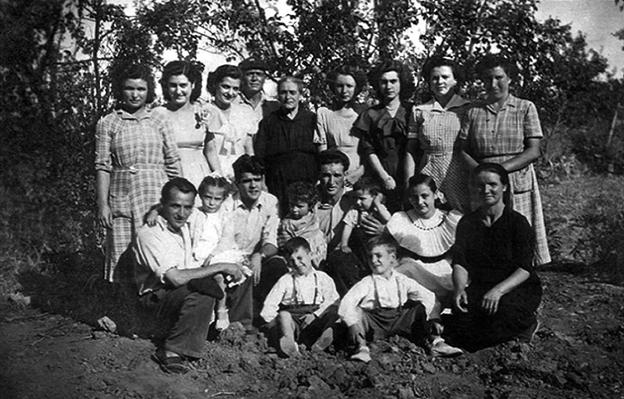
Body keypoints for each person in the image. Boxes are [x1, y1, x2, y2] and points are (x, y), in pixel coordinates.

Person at [134, 178, 248, 374]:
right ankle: (171, 350)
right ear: (163, 204)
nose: (181, 213)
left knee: (217, 283)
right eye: (175, 206)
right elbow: (175, 278)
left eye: (187, 207)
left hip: (173, 295)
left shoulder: (184, 228)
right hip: (152, 302)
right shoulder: (150, 234)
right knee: (203, 290)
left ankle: (209, 334)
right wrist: (221, 266)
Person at [459, 54, 550, 265]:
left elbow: (534, 150)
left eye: (499, 77)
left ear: (510, 79)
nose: (493, 84)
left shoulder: (525, 107)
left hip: (516, 178)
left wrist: (499, 171)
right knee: (486, 227)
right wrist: (482, 173)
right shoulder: (473, 111)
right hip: (483, 181)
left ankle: (522, 274)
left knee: (517, 229)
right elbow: (462, 150)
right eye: (488, 79)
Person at [95, 63, 181, 282]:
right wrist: (103, 205)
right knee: (123, 253)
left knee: (156, 251)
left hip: (155, 196)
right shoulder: (108, 122)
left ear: (149, 90)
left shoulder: (159, 119)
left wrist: (174, 199)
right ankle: (125, 311)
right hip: (122, 196)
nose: (135, 94)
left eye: (141, 89)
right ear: (120, 90)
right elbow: (103, 166)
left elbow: (172, 161)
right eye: (129, 88)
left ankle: (156, 310)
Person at [446, 163, 542, 351]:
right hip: (482, 286)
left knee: (503, 316)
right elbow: (460, 262)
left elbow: (525, 268)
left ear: (504, 187)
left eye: (492, 184)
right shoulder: (467, 223)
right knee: (461, 323)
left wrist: (498, 291)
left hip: (516, 287)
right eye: (480, 185)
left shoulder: (517, 223)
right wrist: (459, 289)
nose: (486, 190)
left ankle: (528, 323)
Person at [387, 174, 463, 356]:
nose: (419, 202)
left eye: (424, 196)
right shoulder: (402, 219)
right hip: (417, 272)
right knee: (405, 272)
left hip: (445, 273)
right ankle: (436, 341)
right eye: (414, 197)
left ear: (436, 195)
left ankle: (450, 330)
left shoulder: (451, 218)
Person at [337, 235, 438, 363]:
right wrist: (352, 324)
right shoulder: (367, 282)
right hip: (375, 322)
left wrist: (433, 317)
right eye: (370, 257)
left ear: (392, 258)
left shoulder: (401, 280)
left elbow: (428, 296)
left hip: (399, 320)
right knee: (357, 311)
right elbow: (347, 302)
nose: (374, 260)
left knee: (419, 308)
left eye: (378, 256)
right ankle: (362, 348)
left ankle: (436, 342)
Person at [315, 150, 385, 296]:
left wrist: (384, 229)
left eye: (337, 175)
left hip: (346, 261)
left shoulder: (356, 199)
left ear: (345, 175)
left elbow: (380, 212)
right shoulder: (311, 201)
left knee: (340, 258)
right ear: (320, 176)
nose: (331, 182)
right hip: (316, 259)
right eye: (326, 176)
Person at [409, 57, 471, 212]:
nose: (439, 81)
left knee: (460, 215)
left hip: (458, 170)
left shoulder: (468, 108)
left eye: (445, 77)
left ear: (455, 80)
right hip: (428, 170)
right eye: (434, 78)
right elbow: (410, 150)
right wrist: (409, 181)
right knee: (428, 214)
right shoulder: (419, 111)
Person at [190, 175, 251, 331]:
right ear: (200, 196)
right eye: (207, 197)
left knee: (218, 276)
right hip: (198, 253)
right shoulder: (195, 214)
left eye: (217, 199)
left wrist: (212, 256)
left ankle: (221, 310)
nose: (211, 202)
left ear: (223, 199)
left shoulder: (225, 216)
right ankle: (207, 313)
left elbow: (226, 239)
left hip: (218, 252)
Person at [261, 237, 340, 357]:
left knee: (334, 312)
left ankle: (323, 341)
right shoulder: (285, 280)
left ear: (310, 255)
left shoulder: (322, 278)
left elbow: (332, 300)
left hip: (316, 321)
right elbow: (269, 305)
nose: (297, 264)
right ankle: (289, 342)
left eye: (299, 258)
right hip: (295, 323)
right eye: (292, 261)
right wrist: (275, 324)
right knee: (284, 315)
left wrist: (315, 315)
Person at [229, 155, 289, 310]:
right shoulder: (227, 203)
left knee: (277, 265)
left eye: (257, 180)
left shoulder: (270, 201)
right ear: (237, 183)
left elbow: (271, 241)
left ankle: (265, 316)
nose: (253, 186)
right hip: (230, 260)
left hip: (255, 262)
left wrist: (259, 255)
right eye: (247, 181)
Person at [354, 60, 416, 211]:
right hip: (381, 175)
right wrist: (384, 177)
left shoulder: (413, 111)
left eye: (393, 81)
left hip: (410, 173)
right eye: (384, 82)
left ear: (402, 83)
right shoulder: (370, 114)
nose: (389, 86)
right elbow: (369, 150)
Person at [254, 76, 319, 214]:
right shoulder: (269, 122)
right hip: (277, 181)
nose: (287, 96)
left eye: (292, 92)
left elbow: (320, 151)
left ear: (300, 95)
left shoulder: (312, 120)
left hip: (306, 180)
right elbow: (260, 156)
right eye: (283, 92)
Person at [153, 61, 210, 192]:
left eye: (183, 85)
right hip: (168, 174)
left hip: (199, 174)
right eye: (173, 86)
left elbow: (210, 150)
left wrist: (218, 175)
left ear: (193, 85)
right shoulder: (158, 113)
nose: (178, 91)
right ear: (166, 87)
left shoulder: (203, 111)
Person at [315, 65, 367, 186]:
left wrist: (358, 173)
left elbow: (371, 150)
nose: (344, 91)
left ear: (356, 88)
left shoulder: (365, 113)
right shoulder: (324, 113)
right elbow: (322, 153)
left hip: (360, 175)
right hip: (333, 176)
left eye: (349, 86)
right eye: (340, 86)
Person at [204, 64, 257, 180]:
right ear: (215, 85)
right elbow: (209, 149)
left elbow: (248, 148)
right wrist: (219, 176)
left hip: (240, 176)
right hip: (214, 175)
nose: (230, 93)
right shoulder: (206, 111)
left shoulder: (245, 112)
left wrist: (252, 173)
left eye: (235, 89)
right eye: (225, 87)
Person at [337, 177, 392, 288]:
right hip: (361, 247)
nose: (358, 202)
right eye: (356, 198)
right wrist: (344, 244)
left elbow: (388, 219)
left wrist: (377, 203)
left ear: (374, 196)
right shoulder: (354, 211)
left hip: (377, 245)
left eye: (362, 199)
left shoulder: (378, 210)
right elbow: (348, 226)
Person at [278, 181, 327, 268]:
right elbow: (286, 245)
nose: (294, 209)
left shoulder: (313, 218)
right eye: (292, 205)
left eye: (300, 206)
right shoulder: (287, 223)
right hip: (296, 255)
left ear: (310, 206)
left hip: (315, 253)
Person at [237, 57, 281, 126]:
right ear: (242, 77)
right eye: (250, 74)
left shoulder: (274, 106)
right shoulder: (232, 103)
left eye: (259, 74)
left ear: (264, 78)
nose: (254, 78)